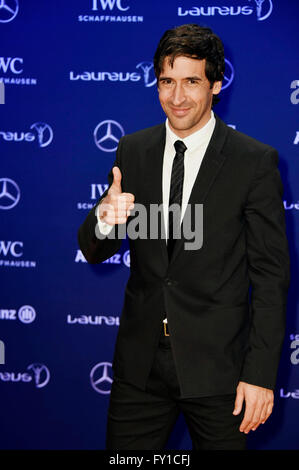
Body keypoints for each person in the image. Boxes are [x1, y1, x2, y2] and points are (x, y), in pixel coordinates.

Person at [78, 24, 290, 450]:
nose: (176, 98)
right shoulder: (132, 150)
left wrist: (260, 375)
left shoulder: (254, 162)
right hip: (140, 369)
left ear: (215, 84)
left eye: (191, 81)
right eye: (167, 82)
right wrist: (105, 218)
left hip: (220, 373)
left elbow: (270, 278)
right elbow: (93, 248)